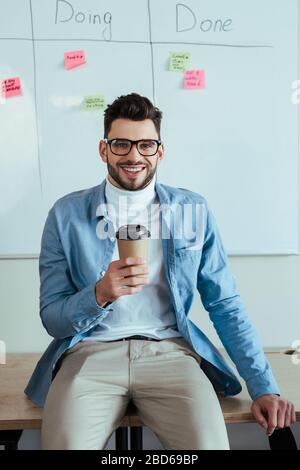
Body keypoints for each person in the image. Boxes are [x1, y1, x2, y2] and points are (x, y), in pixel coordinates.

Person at [25, 93, 296, 450]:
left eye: (146, 145)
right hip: (88, 354)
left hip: (171, 353)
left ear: (160, 151)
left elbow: (225, 304)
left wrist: (263, 386)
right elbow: (53, 320)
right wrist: (100, 294)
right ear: (104, 150)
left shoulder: (191, 210)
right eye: (121, 144)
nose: (134, 155)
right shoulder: (66, 215)